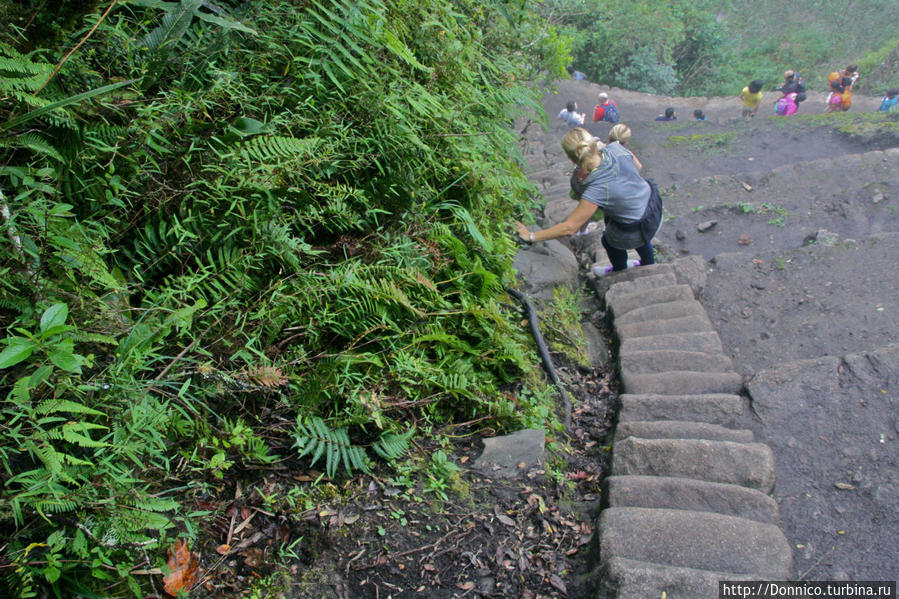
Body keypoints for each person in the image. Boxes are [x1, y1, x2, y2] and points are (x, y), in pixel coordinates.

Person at [515, 127, 661, 275]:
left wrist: (531, 236)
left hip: (634, 226)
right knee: (644, 236)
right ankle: (649, 263)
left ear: (571, 159)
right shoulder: (616, 148)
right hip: (653, 207)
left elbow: (570, 227)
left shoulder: (596, 189)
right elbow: (638, 167)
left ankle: (619, 269)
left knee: (608, 242)